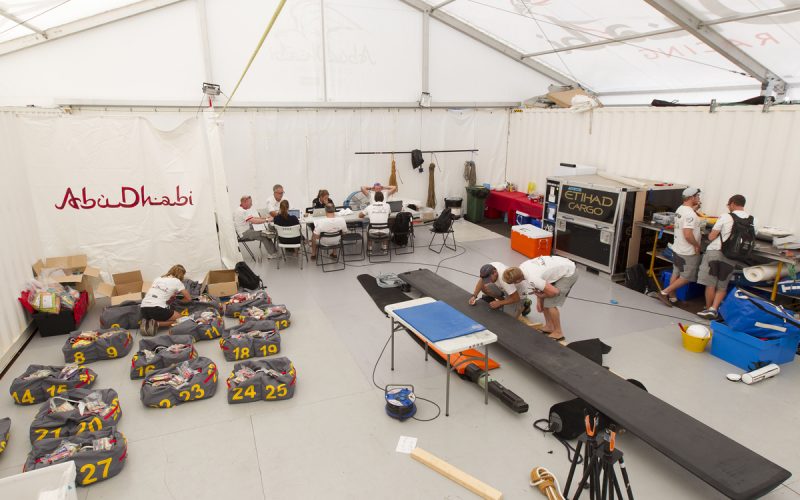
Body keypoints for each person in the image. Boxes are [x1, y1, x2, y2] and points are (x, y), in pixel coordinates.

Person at [696, 194, 751, 319]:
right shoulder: (751, 219)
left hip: (716, 252)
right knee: (722, 285)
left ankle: (708, 308)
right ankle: (714, 309)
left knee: (711, 283)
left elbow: (711, 236)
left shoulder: (726, 216)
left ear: (732, 203)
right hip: (733, 256)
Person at [504, 256, 578, 341]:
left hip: (569, 272)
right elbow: (540, 284)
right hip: (563, 263)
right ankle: (549, 326)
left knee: (550, 304)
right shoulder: (521, 268)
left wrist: (541, 297)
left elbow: (554, 292)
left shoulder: (532, 278)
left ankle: (558, 332)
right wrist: (540, 300)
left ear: (517, 281)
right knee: (545, 301)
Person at [657, 187, 703, 307]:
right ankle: (664, 292)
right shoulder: (690, 214)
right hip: (687, 251)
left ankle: (672, 297)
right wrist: (697, 245)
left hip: (677, 248)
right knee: (687, 277)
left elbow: (686, 218)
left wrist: (694, 210)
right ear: (691, 198)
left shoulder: (680, 209)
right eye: (697, 196)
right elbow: (688, 234)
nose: (699, 198)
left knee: (676, 273)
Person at [140, 264, 191, 336]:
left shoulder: (158, 278)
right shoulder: (177, 282)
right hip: (156, 309)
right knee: (180, 319)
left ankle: (148, 321)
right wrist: (180, 302)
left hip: (143, 309)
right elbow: (188, 298)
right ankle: (156, 323)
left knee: (162, 312)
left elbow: (159, 293)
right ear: (181, 275)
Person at [233, 195, 278, 259]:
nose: (252, 204)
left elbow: (253, 217)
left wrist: (265, 217)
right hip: (244, 233)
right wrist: (267, 220)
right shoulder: (242, 211)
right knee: (264, 235)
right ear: (245, 202)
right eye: (250, 202)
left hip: (244, 230)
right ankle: (272, 254)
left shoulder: (240, 209)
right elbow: (254, 221)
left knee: (264, 231)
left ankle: (273, 251)